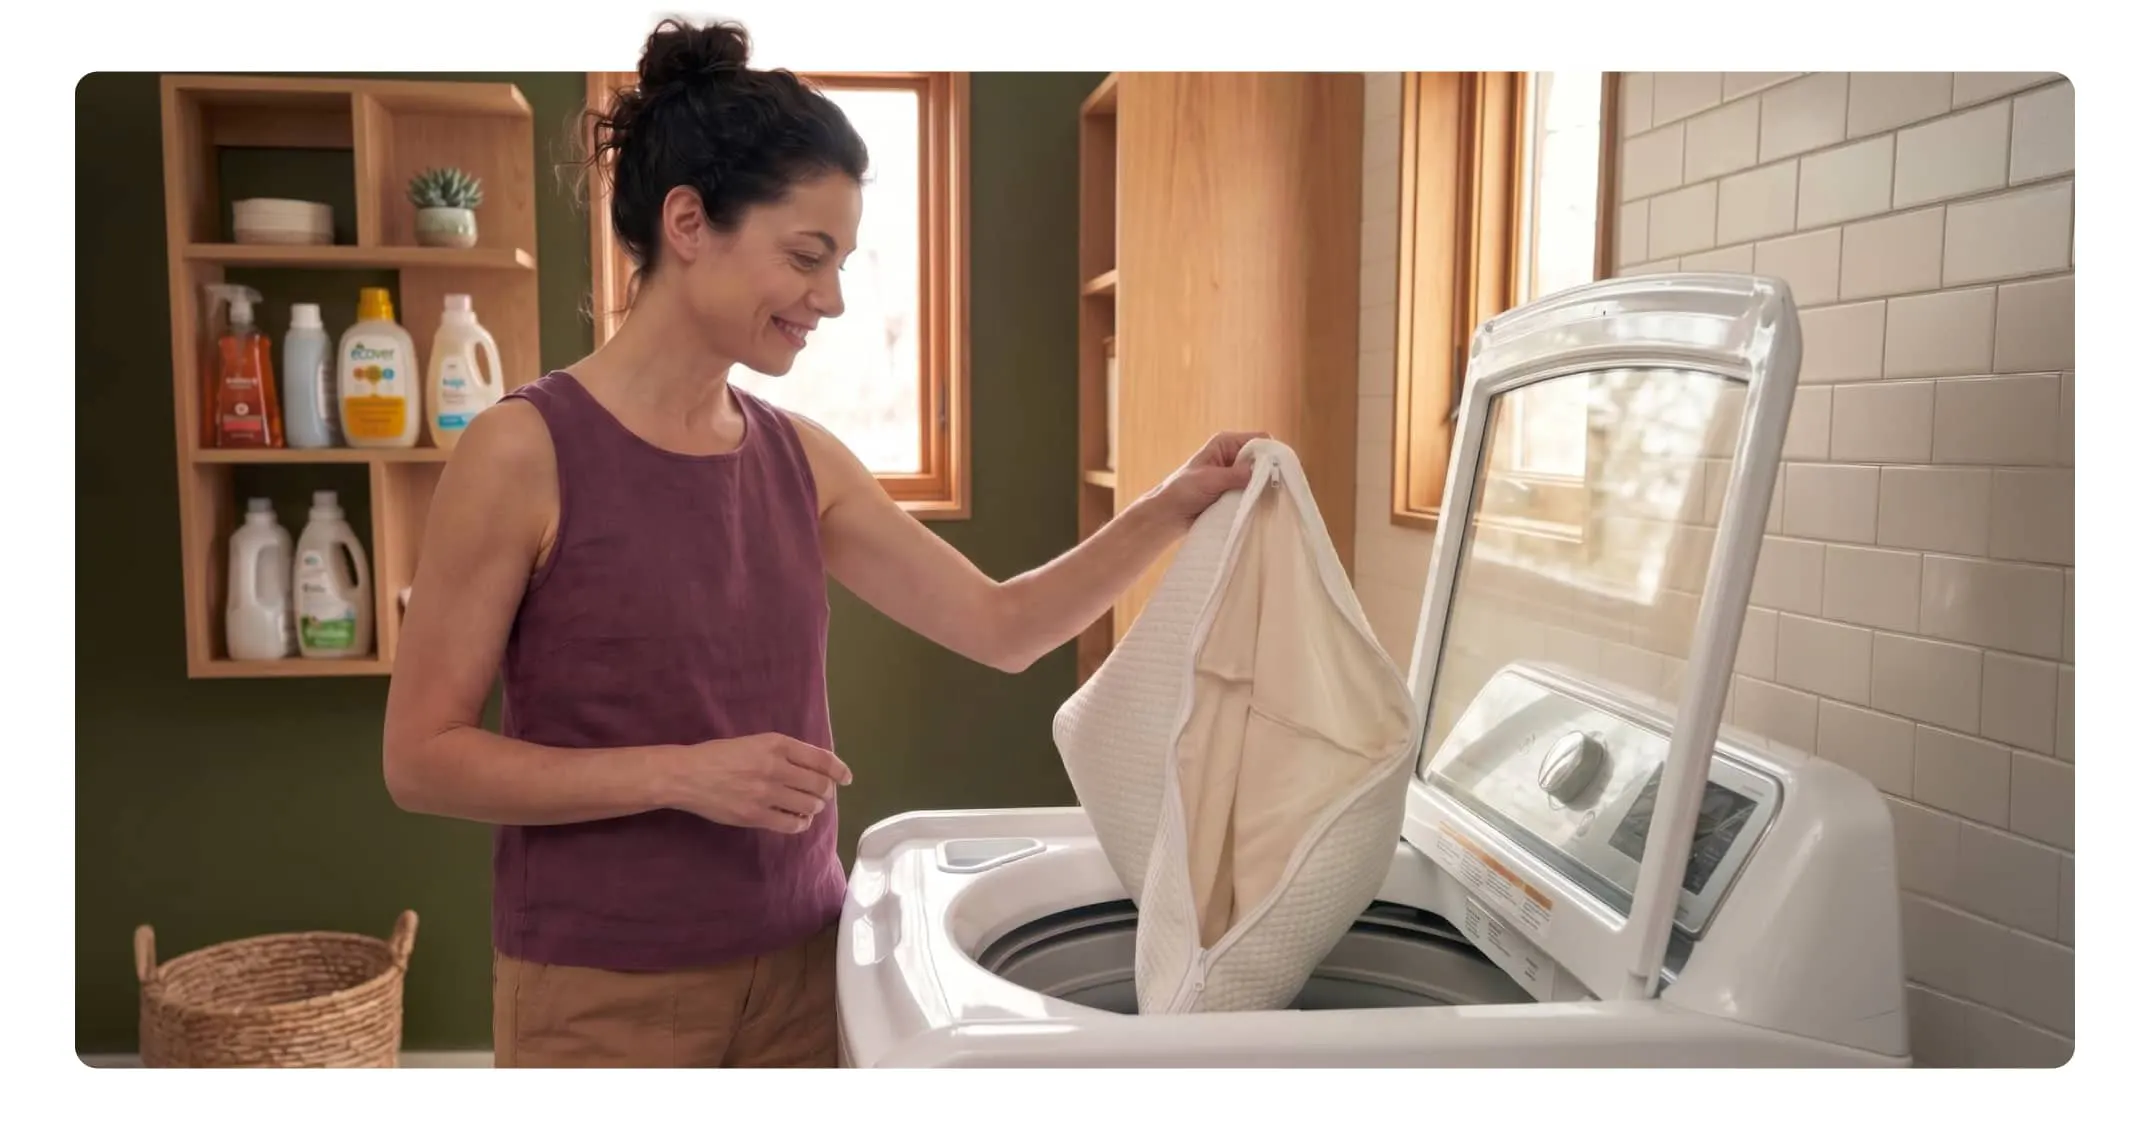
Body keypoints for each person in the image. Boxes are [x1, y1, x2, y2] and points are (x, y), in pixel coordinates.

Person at [380, 17, 1265, 1069]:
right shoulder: (522, 453)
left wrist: (1174, 503)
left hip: (807, 958)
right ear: (687, 221)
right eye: (807, 256)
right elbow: (423, 761)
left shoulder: (802, 460)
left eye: (840, 261)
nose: (832, 299)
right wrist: (679, 774)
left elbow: (1004, 626)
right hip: (602, 990)